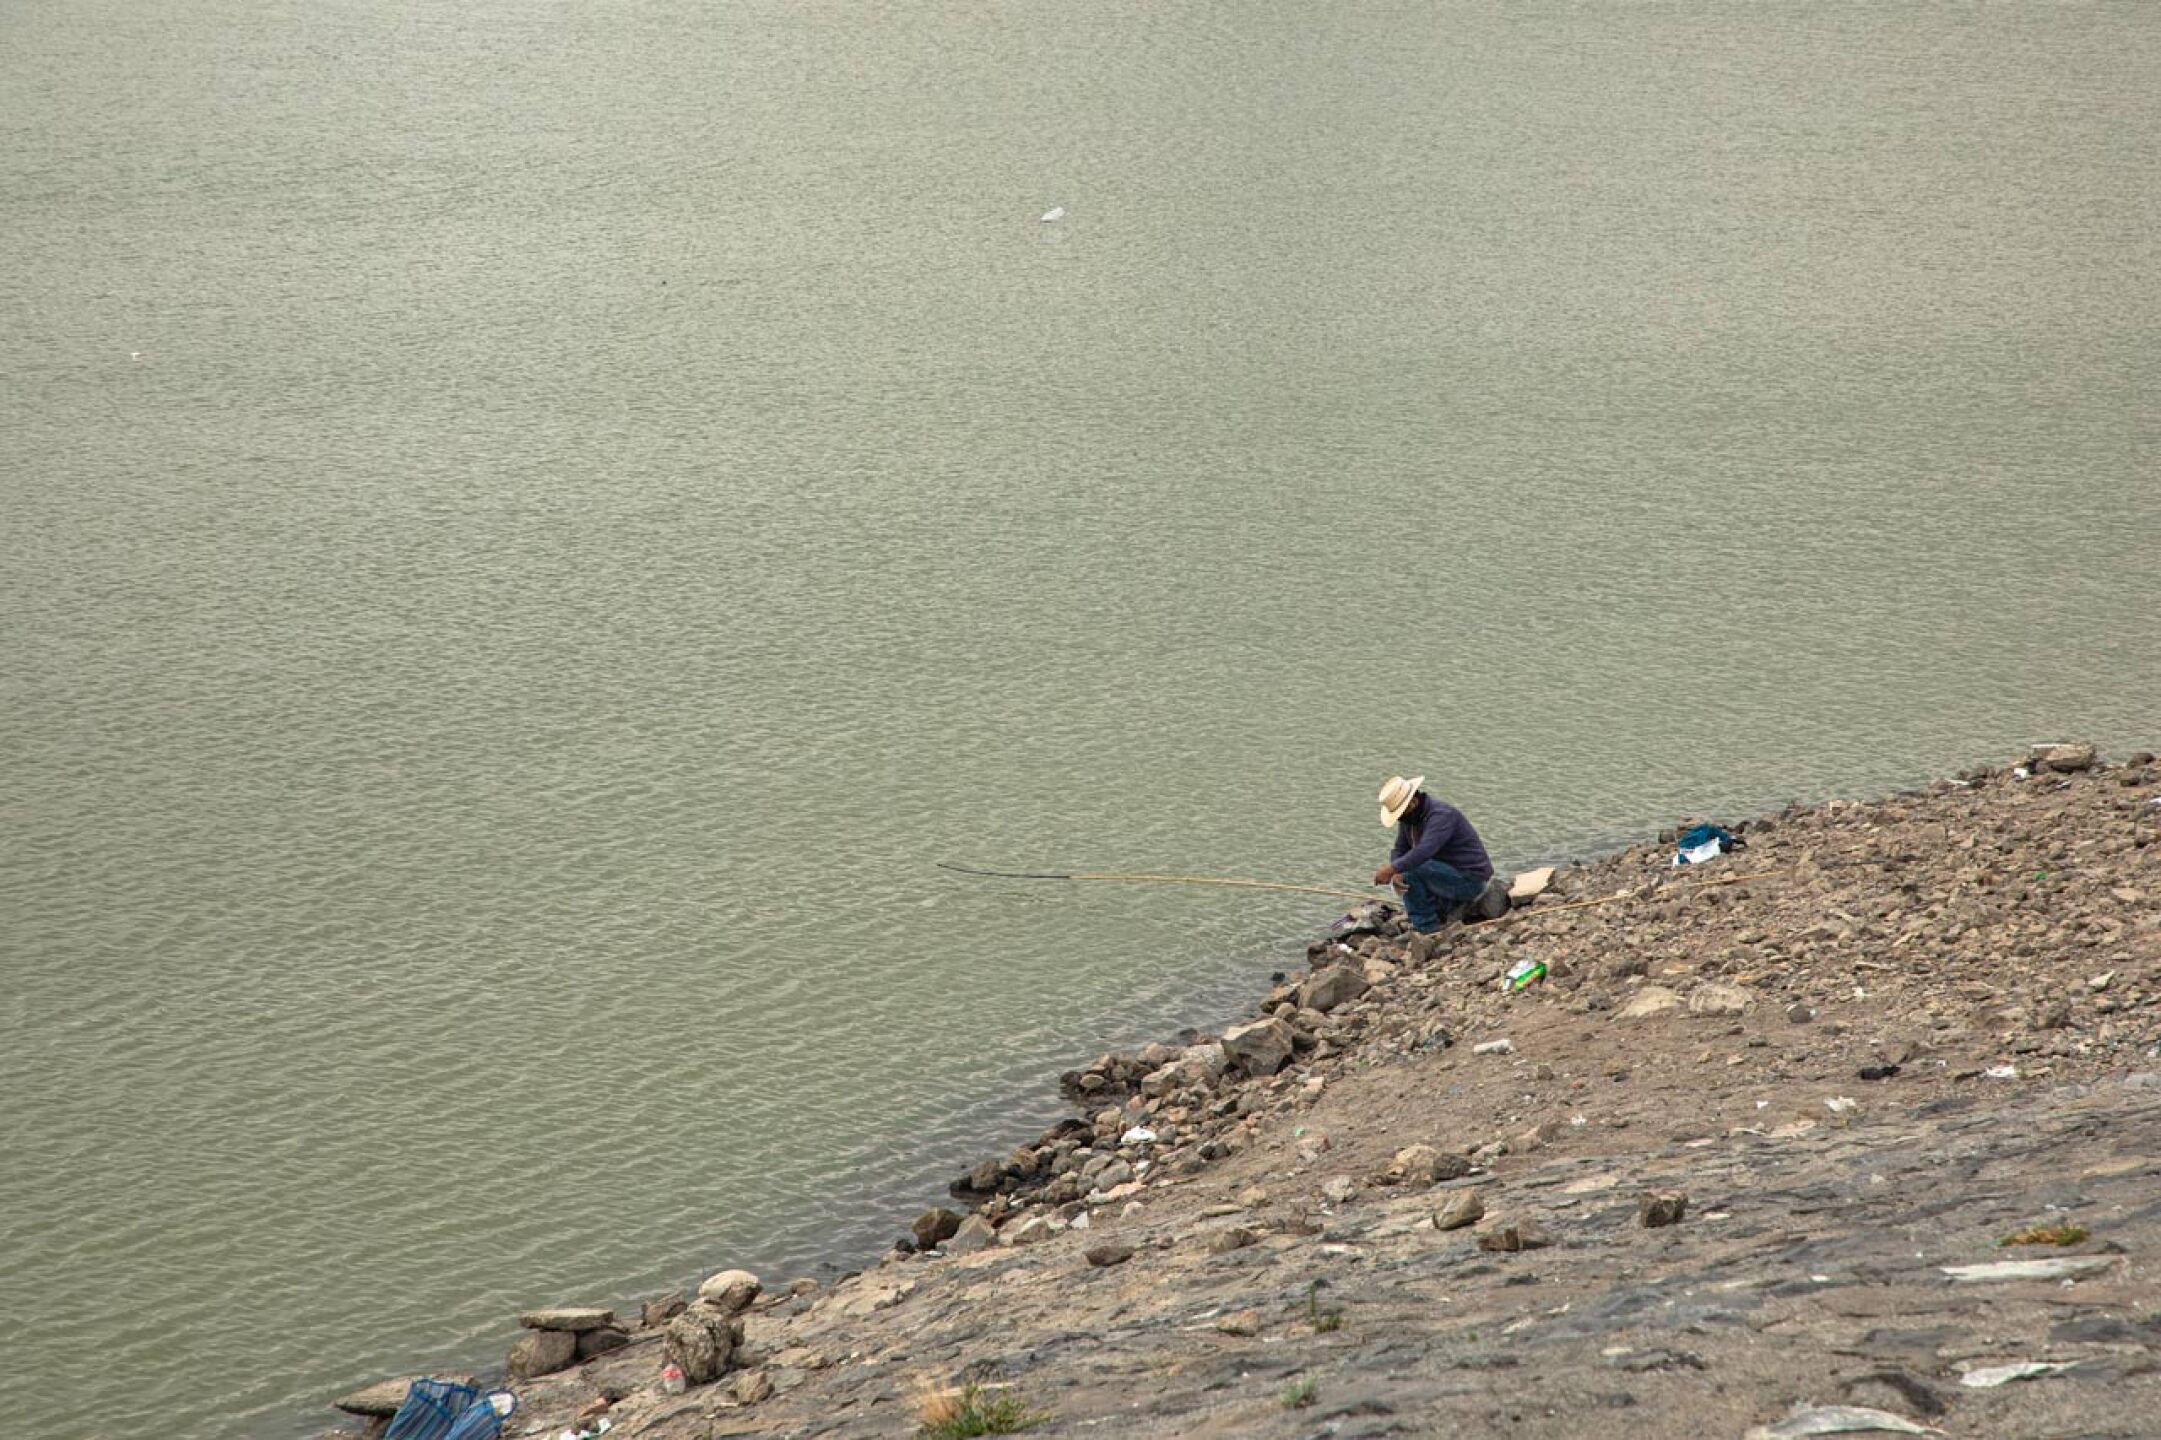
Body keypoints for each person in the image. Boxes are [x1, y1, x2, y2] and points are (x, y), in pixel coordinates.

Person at [1373, 774, 1501, 934]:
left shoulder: (1441, 815)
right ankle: (1439, 912)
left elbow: (1424, 851)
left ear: (1412, 803)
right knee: (1406, 869)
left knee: (1413, 868)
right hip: (1446, 876)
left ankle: (1426, 928)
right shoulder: (1410, 820)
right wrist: (1396, 870)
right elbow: (1400, 848)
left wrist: (1391, 869)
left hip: (1470, 880)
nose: (1400, 820)